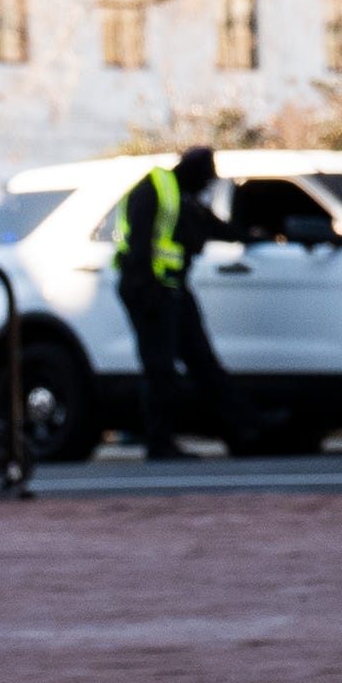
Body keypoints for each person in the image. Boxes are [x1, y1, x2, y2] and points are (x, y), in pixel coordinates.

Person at [109, 147, 236, 458]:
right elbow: (139, 243)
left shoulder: (184, 196)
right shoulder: (157, 186)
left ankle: (243, 428)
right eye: (206, 181)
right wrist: (147, 291)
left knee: (202, 361)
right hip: (151, 290)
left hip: (174, 288)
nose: (207, 188)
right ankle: (159, 442)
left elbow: (217, 229)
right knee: (159, 368)